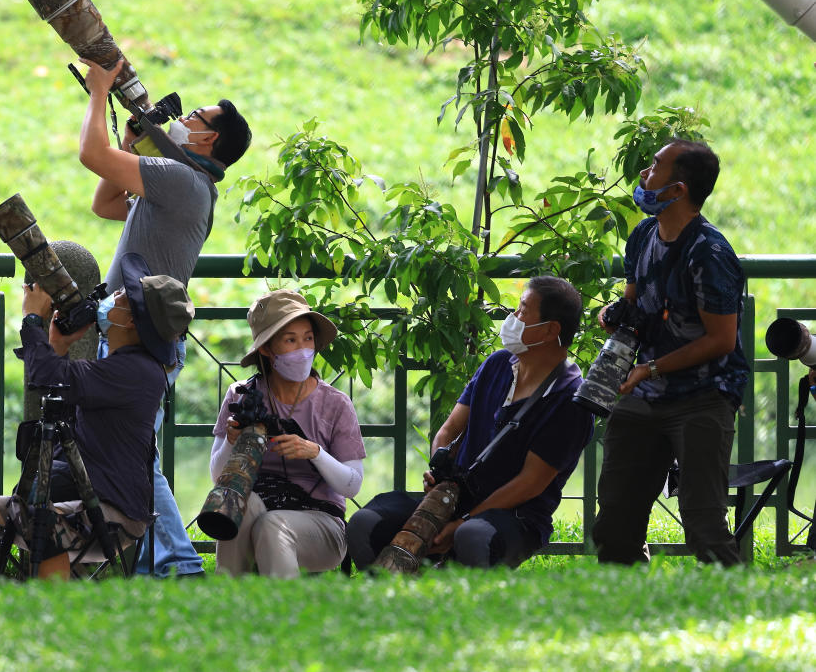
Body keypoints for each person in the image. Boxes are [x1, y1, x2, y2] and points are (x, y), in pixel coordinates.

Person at [77, 55, 251, 578]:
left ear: (206, 141)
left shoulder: (181, 180)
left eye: (194, 117)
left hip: (137, 334)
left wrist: (98, 91)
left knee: (136, 456)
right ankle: (164, 562)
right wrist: (135, 141)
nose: (182, 118)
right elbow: (106, 202)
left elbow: (90, 154)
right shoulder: (180, 182)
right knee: (133, 452)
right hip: (133, 330)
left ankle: (177, 562)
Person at [0, 253, 194, 581]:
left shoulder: (137, 371)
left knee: (44, 527)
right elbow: (56, 383)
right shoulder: (121, 366)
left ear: (131, 320)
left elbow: (48, 376)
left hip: (109, 509)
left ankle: (53, 618)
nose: (111, 295)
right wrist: (57, 345)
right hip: (76, 494)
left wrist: (32, 318)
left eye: (121, 295)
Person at [346, 277, 592, 571]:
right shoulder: (498, 363)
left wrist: (464, 520)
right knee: (367, 524)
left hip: (515, 515)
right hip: (455, 498)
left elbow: (530, 483)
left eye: (523, 310)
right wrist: (440, 475)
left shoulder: (570, 400)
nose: (512, 318)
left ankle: (462, 606)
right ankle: (398, 603)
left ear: (551, 330)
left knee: (473, 537)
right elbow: (449, 430)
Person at [592, 139, 750, 567]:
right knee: (615, 521)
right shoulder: (643, 234)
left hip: (703, 397)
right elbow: (634, 304)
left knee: (702, 520)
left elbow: (721, 340)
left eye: (656, 166)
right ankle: (621, 612)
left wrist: (649, 368)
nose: (645, 173)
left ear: (678, 190)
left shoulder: (710, 253)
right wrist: (616, 316)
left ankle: (729, 616)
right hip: (644, 393)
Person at [210, 289, 365, 577]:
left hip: (321, 522)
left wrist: (314, 453)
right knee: (238, 500)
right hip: (259, 507)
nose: (303, 348)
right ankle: (226, 597)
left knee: (273, 525)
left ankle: (284, 616)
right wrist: (233, 443)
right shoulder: (242, 396)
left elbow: (352, 485)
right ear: (267, 349)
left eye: (307, 338)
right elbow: (218, 477)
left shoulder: (335, 403)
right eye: (290, 340)